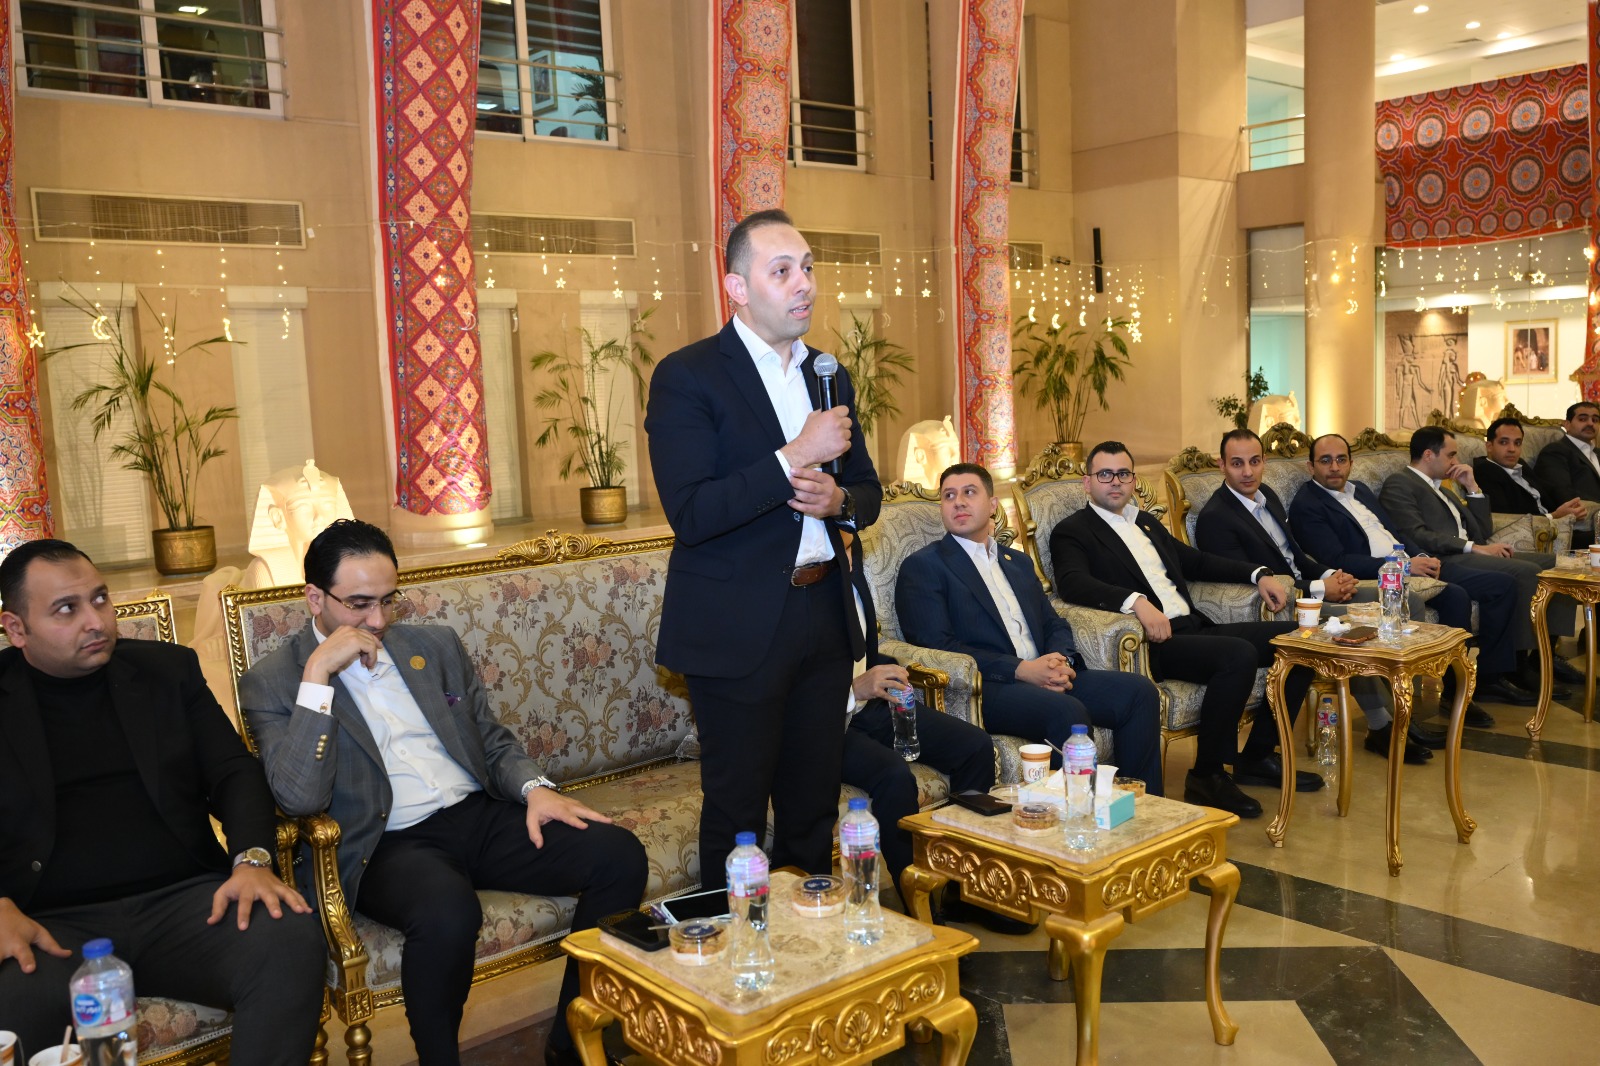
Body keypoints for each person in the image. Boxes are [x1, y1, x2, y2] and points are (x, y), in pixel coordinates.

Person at [238, 520, 647, 1066]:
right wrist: (318, 676)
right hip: (388, 842)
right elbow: (298, 798)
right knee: (447, 913)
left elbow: (490, 737)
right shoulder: (274, 680)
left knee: (617, 854)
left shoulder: (432, 645)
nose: (378, 620)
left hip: (477, 814)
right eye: (359, 604)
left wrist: (534, 788)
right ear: (315, 598)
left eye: (388, 600)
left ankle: (571, 1042)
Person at [0, 539, 324, 1062]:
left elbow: (233, 771)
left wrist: (252, 860)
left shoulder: (166, 672)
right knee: (15, 998)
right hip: (54, 923)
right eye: (66, 609)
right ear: (16, 628)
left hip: (186, 904)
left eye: (100, 599)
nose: (95, 621)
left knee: (288, 940)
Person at [644, 209, 882, 884]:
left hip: (823, 616)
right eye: (782, 271)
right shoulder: (688, 375)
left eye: (807, 267)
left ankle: (807, 937)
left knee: (812, 806)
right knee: (738, 811)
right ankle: (731, 944)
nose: (804, 283)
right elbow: (692, 513)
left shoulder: (827, 375)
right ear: (738, 288)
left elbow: (868, 490)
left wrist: (839, 503)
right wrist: (794, 456)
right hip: (737, 625)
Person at [1048, 442, 1322, 820]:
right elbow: (1072, 583)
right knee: (1237, 655)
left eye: (1123, 474)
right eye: (1105, 474)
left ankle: (1257, 756)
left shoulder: (1145, 522)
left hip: (1193, 627)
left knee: (1302, 639)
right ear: (1088, 482)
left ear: (1133, 480)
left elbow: (1195, 562)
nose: (1115, 482)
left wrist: (1258, 573)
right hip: (1153, 643)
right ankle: (1207, 775)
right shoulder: (1073, 531)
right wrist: (1136, 602)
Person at [898, 461, 1166, 798]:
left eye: (969, 492)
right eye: (949, 496)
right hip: (988, 687)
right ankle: (1085, 815)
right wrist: (1022, 670)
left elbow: (1053, 622)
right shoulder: (925, 566)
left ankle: (1146, 806)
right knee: (1065, 711)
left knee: (1139, 692)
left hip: (1045, 672)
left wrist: (1060, 661)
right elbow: (937, 646)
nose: (958, 502)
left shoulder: (1017, 562)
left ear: (992, 505)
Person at [1194, 429, 1435, 764]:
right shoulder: (1216, 518)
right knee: (1358, 625)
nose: (1247, 472)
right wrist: (1321, 589)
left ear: (1264, 461)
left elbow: (1296, 556)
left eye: (1254, 461)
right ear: (1222, 465)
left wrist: (1329, 575)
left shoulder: (1266, 495)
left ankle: (1401, 714)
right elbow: (1257, 581)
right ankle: (1382, 725)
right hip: (1285, 604)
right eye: (1237, 464)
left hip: (1308, 587)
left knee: (1406, 600)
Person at [1288, 433, 1520, 730]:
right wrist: (1402, 565)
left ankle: (1455, 693)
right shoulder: (1308, 504)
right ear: (1311, 467)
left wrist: (1419, 556)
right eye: (1325, 461)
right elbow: (1337, 558)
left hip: (1406, 564)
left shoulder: (1359, 490)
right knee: (1457, 593)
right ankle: (1399, 713)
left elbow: (1395, 532)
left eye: (1341, 459)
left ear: (1351, 463)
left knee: (1457, 596)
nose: (1334, 467)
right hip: (1373, 575)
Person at [840, 535, 995, 896]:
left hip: (872, 707)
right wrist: (853, 689)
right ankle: (918, 901)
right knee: (894, 775)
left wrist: (886, 669)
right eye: (837, 550)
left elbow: (862, 650)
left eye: (849, 550)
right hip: (824, 724)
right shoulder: (793, 598)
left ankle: (966, 889)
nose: (847, 560)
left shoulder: (852, 579)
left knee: (975, 746)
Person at [1378, 425, 1567, 708]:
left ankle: (1543, 655)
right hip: (1443, 558)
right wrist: (1473, 547)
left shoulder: (1443, 487)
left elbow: (1482, 530)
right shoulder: (1401, 483)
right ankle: (1509, 669)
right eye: (1451, 455)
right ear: (1429, 455)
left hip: (1465, 552)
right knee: (1524, 573)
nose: (1456, 461)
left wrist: (1472, 488)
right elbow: (1416, 534)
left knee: (1555, 566)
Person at [1476, 418, 1587, 523]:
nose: (1512, 449)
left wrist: (1572, 503)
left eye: (1517, 443)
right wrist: (1555, 516)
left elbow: (1548, 489)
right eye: (1504, 442)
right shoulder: (1485, 471)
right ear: (1489, 446)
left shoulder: (1520, 464)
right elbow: (1505, 517)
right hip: (1532, 532)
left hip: (1557, 526)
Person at [1534, 401, 1600, 550]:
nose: (1590, 423)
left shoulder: (1598, 454)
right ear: (1567, 424)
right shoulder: (1555, 451)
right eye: (1583, 419)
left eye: (1595, 420)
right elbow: (1563, 495)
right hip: (1575, 531)